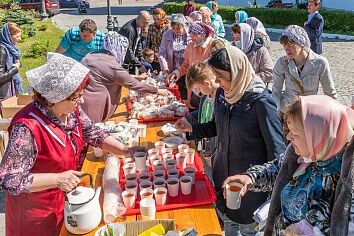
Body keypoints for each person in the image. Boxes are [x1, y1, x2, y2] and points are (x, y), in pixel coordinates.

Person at [0, 53, 144, 235]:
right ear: (55, 97)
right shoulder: (27, 127)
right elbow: (9, 179)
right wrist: (58, 179)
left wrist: (125, 150)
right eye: (76, 97)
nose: (82, 101)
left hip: (65, 203)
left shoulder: (71, 112)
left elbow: (93, 133)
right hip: (35, 216)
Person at [175, 46, 285, 235]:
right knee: (228, 225)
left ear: (237, 72)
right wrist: (192, 130)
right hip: (223, 178)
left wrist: (266, 189)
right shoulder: (223, 94)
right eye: (215, 77)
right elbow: (217, 127)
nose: (217, 82)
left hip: (249, 188)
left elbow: (277, 153)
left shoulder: (260, 102)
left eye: (221, 77)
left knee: (248, 230)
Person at [223, 95, 354, 235]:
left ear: (319, 136)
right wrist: (250, 178)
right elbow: (277, 169)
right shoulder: (303, 155)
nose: (288, 137)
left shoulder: (347, 179)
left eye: (295, 134)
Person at [81, 32, 169, 123]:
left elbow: (112, 75)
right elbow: (131, 84)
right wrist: (157, 90)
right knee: (92, 129)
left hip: (80, 100)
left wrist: (137, 77)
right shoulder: (112, 65)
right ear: (119, 48)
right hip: (96, 105)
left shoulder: (92, 55)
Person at [272, 25, 337, 115]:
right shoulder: (282, 63)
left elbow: (330, 93)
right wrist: (274, 114)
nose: (287, 49)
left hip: (309, 113)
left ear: (301, 43)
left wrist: (333, 115)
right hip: (287, 112)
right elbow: (276, 92)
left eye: (290, 45)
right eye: (284, 45)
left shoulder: (320, 63)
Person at [166, 21, 214, 109]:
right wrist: (176, 73)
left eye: (195, 36)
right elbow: (186, 64)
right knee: (194, 110)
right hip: (194, 88)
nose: (193, 39)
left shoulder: (212, 45)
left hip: (208, 87)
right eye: (191, 37)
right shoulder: (191, 46)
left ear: (203, 34)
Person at [0, 22, 23, 110]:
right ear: (8, 36)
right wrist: (15, 68)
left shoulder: (9, 48)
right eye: (17, 37)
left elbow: (10, 63)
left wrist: (19, 64)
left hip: (10, 85)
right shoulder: (2, 50)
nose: (20, 39)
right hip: (4, 91)